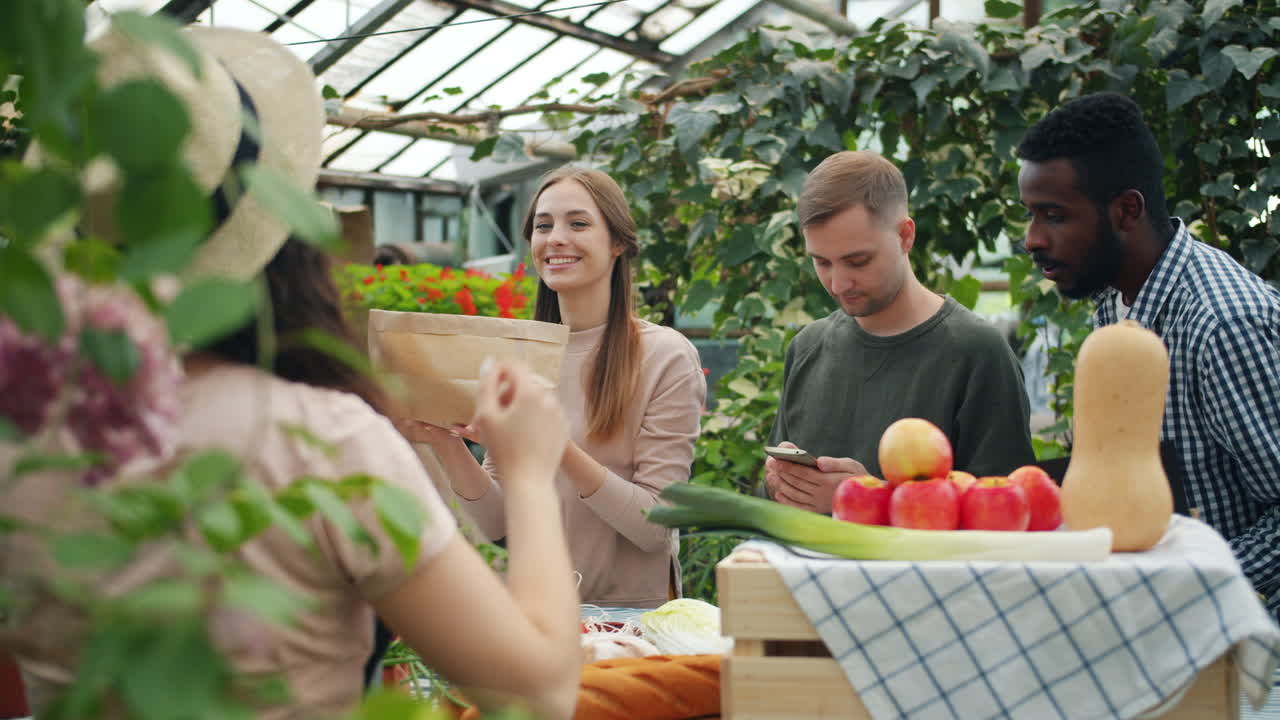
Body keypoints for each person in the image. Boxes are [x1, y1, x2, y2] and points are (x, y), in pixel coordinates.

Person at [0, 24, 581, 720]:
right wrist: (526, 473)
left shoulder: (22, 445)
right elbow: (537, 693)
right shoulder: (317, 441)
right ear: (284, 225)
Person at [1016, 92, 1280, 623]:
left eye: (1054, 215)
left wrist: (1184, 591)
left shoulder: (1222, 324)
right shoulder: (1118, 307)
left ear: (1126, 211)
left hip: (1241, 644)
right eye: (1030, 215)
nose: (1033, 239)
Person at [401, 167, 706, 609]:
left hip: (630, 620)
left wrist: (550, 446)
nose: (556, 238)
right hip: (535, 612)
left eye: (578, 224)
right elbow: (498, 523)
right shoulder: (520, 355)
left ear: (618, 242)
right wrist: (445, 445)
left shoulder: (665, 357)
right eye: (544, 226)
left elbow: (655, 527)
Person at [765, 150, 1036, 513]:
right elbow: (771, 510)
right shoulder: (807, 348)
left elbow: (1005, 516)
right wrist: (782, 483)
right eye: (822, 262)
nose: (838, 283)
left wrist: (869, 501)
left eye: (858, 260)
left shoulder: (978, 353)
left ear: (905, 236)